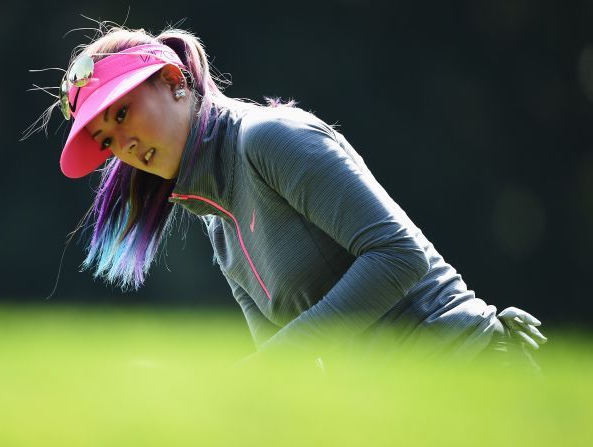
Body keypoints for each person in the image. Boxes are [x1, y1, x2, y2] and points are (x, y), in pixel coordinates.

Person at [36, 25, 547, 367]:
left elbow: (400, 256)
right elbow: (294, 377)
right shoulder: (218, 226)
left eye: (121, 114)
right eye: (105, 140)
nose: (121, 144)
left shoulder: (268, 138)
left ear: (174, 81)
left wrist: (263, 369)